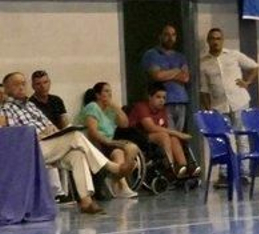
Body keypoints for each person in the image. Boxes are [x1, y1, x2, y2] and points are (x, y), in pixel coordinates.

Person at [1, 71, 129, 214]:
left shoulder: (31, 106)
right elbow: (13, 136)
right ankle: (112, 168)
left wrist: (53, 131)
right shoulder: (5, 109)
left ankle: (86, 201)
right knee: (75, 136)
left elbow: (51, 126)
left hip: (49, 145)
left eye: (23, 84)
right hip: (31, 149)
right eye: (16, 84)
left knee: (77, 154)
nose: (21, 87)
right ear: (6, 88)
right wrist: (38, 134)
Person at [76, 83, 141, 198]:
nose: (109, 93)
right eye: (106, 91)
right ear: (98, 95)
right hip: (92, 143)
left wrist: (116, 107)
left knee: (130, 150)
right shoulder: (92, 107)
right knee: (120, 153)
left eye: (110, 91)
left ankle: (116, 180)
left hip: (107, 143)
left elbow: (125, 124)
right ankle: (122, 186)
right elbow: (92, 132)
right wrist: (110, 142)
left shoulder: (110, 110)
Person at [127, 85, 195, 180]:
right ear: (150, 97)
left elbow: (163, 128)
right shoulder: (141, 107)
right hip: (136, 137)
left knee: (173, 138)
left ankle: (183, 167)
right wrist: (178, 133)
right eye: (158, 97)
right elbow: (150, 127)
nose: (162, 100)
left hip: (151, 137)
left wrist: (175, 134)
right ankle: (169, 167)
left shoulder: (162, 110)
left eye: (164, 98)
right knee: (164, 136)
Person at [198, 28, 259, 128]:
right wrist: (209, 110)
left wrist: (247, 82)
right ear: (208, 41)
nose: (216, 42)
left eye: (218, 39)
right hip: (219, 106)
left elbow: (254, 67)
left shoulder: (234, 55)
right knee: (224, 135)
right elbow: (204, 89)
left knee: (242, 135)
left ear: (223, 40)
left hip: (239, 102)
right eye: (213, 39)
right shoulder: (203, 63)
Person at [142, 25, 191, 132]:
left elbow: (185, 78)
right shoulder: (152, 54)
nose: (170, 38)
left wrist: (165, 73)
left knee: (179, 135)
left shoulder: (180, 57)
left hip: (181, 101)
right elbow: (157, 76)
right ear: (160, 36)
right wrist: (176, 70)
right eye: (167, 35)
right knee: (168, 134)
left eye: (173, 35)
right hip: (162, 102)